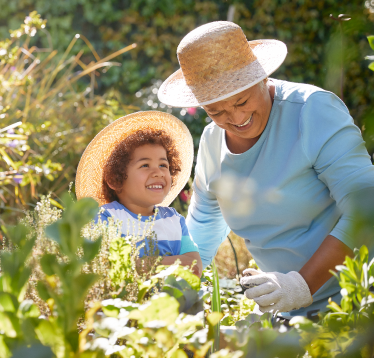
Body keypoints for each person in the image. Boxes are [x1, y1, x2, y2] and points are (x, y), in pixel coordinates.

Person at [158, 21, 374, 318]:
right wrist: (174, 288)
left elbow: (366, 208)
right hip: (288, 311)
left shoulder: (311, 112)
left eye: (242, 101)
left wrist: (299, 285)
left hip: (359, 301)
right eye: (216, 111)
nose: (236, 118)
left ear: (261, 76)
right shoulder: (211, 141)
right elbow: (205, 224)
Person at [75, 111, 203, 276]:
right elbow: (107, 266)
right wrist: (174, 263)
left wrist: (141, 263)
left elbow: (195, 266)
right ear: (115, 179)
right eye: (145, 165)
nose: (158, 172)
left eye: (164, 165)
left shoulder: (174, 220)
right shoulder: (105, 218)